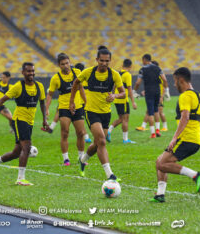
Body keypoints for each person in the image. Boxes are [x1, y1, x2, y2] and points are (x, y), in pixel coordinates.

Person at [0, 62, 48, 186]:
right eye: (28, 71)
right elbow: (2, 99)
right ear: (23, 72)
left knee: (16, 152)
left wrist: (44, 119)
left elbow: (43, 103)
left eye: (33, 71)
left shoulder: (39, 86)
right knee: (27, 147)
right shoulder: (18, 86)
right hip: (19, 120)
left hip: (30, 121)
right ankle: (20, 179)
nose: (31, 73)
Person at [150, 67, 200, 203]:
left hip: (186, 139)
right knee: (160, 160)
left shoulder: (185, 96)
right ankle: (160, 194)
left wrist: (175, 138)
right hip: (195, 139)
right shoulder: (198, 96)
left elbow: (185, 116)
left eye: (175, 81)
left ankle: (195, 175)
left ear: (181, 80)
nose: (174, 85)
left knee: (161, 164)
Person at [69, 47, 125, 179]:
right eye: (101, 60)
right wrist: (72, 101)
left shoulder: (114, 75)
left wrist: (115, 96)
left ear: (110, 60)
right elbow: (76, 83)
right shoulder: (88, 72)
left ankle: (83, 160)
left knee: (97, 144)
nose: (104, 63)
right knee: (102, 141)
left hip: (106, 113)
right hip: (91, 111)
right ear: (96, 60)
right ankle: (110, 174)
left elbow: (123, 93)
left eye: (107, 61)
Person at [46, 53, 87, 166]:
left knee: (81, 133)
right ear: (59, 65)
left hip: (78, 107)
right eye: (63, 64)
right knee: (65, 133)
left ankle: (81, 158)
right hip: (64, 108)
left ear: (70, 62)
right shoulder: (55, 78)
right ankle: (66, 159)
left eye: (67, 63)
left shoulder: (77, 73)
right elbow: (50, 95)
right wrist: (47, 109)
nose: (66, 66)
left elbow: (81, 88)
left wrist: (86, 103)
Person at [42, 62, 92, 144]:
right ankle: (86, 137)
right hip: (76, 102)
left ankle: (51, 127)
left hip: (76, 102)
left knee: (63, 115)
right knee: (78, 121)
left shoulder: (78, 75)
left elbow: (81, 89)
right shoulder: (81, 77)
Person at [134, 54, 168, 138]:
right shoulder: (158, 68)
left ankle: (153, 134)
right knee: (156, 111)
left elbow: (138, 82)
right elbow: (164, 79)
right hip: (157, 91)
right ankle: (157, 130)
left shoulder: (142, 69)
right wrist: (167, 90)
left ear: (144, 60)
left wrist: (134, 90)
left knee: (150, 112)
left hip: (149, 92)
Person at [107, 59, 137, 143]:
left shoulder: (118, 73)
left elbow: (114, 86)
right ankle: (125, 139)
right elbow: (130, 89)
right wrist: (133, 101)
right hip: (123, 99)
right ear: (130, 66)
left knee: (121, 119)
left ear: (123, 65)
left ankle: (108, 131)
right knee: (125, 119)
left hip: (117, 98)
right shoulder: (127, 75)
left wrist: (113, 94)